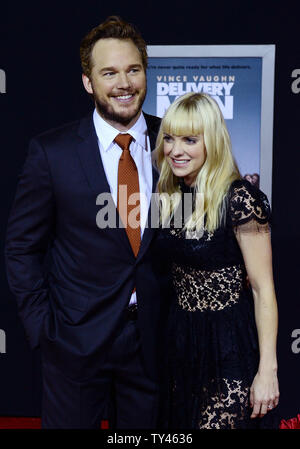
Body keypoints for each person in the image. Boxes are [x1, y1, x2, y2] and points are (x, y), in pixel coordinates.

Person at [5, 16, 164, 429]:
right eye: (109, 72)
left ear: (146, 73)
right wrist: (44, 328)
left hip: (154, 345)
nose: (124, 83)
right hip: (74, 343)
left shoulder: (175, 143)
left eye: (133, 69)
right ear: (88, 82)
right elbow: (21, 247)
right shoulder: (51, 153)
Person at [154, 92, 280, 429]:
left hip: (229, 347)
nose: (175, 150)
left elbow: (262, 289)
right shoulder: (171, 197)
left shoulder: (239, 198)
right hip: (180, 344)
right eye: (169, 138)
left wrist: (267, 369)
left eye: (189, 140)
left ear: (212, 142)